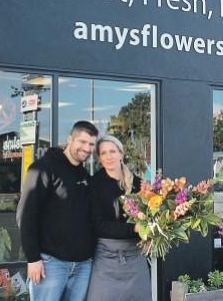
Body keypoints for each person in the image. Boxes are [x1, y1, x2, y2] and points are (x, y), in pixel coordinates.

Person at [16, 120, 99, 301]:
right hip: (50, 264)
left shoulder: (84, 175)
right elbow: (26, 214)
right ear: (70, 139)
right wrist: (33, 258)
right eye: (82, 142)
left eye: (91, 144)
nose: (87, 148)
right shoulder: (43, 168)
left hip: (83, 265)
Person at [86, 135, 152, 301]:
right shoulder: (94, 184)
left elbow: (151, 216)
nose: (109, 156)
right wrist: (134, 229)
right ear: (99, 158)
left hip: (135, 257)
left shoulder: (138, 183)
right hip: (106, 258)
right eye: (104, 153)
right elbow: (99, 225)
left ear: (121, 153)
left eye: (113, 151)